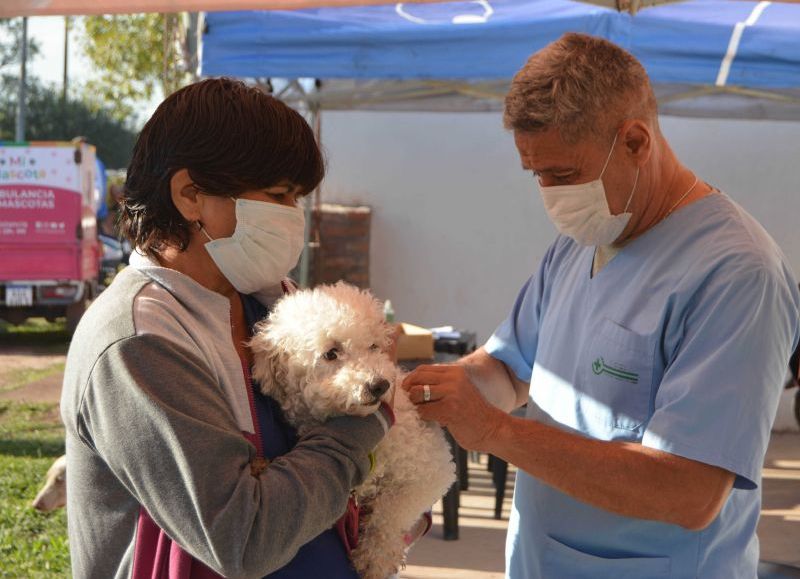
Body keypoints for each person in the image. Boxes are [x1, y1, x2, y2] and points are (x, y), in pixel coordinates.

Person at [403, 33, 800, 578]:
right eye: (535, 174)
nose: (548, 192)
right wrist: (438, 394)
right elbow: (509, 369)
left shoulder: (737, 274)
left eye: (563, 175)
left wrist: (494, 431)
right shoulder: (583, 241)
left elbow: (691, 491)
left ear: (636, 141)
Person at [60, 78, 396, 579]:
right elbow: (244, 537)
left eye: (298, 197)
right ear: (191, 195)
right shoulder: (139, 342)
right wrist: (363, 429)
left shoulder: (269, 301)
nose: (293, 216)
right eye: (279, 195)